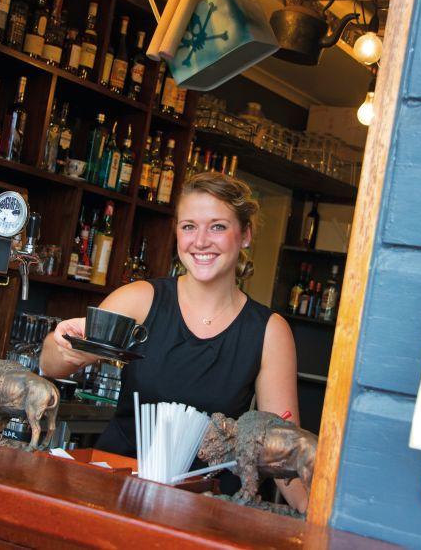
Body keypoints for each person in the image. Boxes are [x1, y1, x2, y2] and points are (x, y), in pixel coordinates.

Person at [41, 172, 308, 512]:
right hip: (117, 491)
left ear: (245, 235)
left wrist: (314, 517)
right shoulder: (140, 299)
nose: (200, 241)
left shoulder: (269, 331)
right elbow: (50, 363)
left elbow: (283, 450)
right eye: (188, 227)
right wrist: (66, 346)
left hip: (207, 507)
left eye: (217, 227)